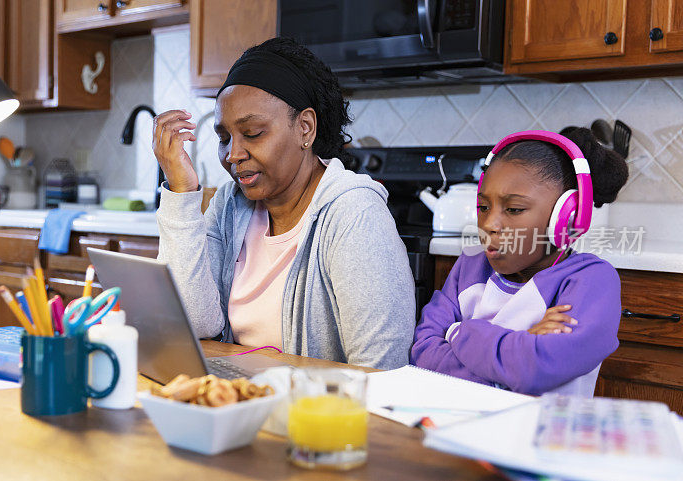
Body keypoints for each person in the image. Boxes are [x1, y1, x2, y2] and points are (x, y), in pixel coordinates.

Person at [152, 38, 415, 369]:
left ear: (304, 127)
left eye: (253, 133)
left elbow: (380, 369)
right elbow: (193, 321)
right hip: (239, 401)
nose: (233, 154)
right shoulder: (229, 205)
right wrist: (182, 191)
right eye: (224, 138)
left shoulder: (353, 213)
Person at [410, 127, 629, 395]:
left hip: (543, 435)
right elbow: (422, 354)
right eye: (483, 207)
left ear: (567, 216)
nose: (489, 224)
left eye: (514, 209)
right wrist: (520, 343)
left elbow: (536, 370)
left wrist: (458, 332)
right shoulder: (469, 266)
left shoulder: (591, 281)